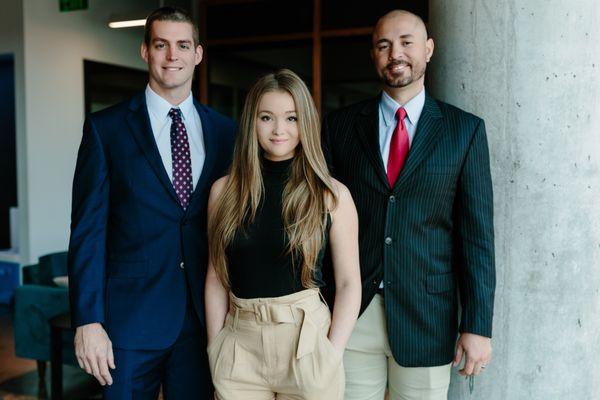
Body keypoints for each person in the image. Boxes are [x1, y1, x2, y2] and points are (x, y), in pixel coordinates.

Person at [321, 10, 496, 400]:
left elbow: (477, 237)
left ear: (429, 50)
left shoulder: (463, 131)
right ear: (373, 55)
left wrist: (477, 325)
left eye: (406, 42)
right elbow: (320, 226)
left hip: (428, 317)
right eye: (383, 45)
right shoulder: (339, 127)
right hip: (353, 312)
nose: (394, 52)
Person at [67, 6, 236, 399]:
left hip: (202, 322)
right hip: (126, 325)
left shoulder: (226, 132)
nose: (172, 56)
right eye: (161, 45)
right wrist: (88, 320)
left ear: (198, 54)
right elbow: (87, 232)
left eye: (182, 45)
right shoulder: (106, 129)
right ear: (145, 51)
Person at [204, 69, 362, 400]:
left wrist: (332, 354)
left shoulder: (331, 195)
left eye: (291, 118)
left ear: (305, 122)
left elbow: (349, 283)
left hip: (306, 346)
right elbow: (217, 276)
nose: (279, 130)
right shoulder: (224, 191)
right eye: (267, 117)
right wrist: (215, 346)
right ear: (252, 122)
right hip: (240, 346)